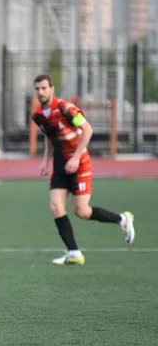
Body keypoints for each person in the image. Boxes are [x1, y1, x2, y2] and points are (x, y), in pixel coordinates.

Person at [32, 74, 135, 265]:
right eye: (37, 88)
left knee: (82, 211)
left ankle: (122, 219)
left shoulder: (65, 108)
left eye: (44, 88)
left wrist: (76, 157)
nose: (41, 92)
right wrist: (45, 160)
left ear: (52, 88)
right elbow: (49, 135)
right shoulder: (38, 115)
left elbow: (88, 130)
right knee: (55, 206)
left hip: (79, 163)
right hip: (59, 164)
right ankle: (74, 253)